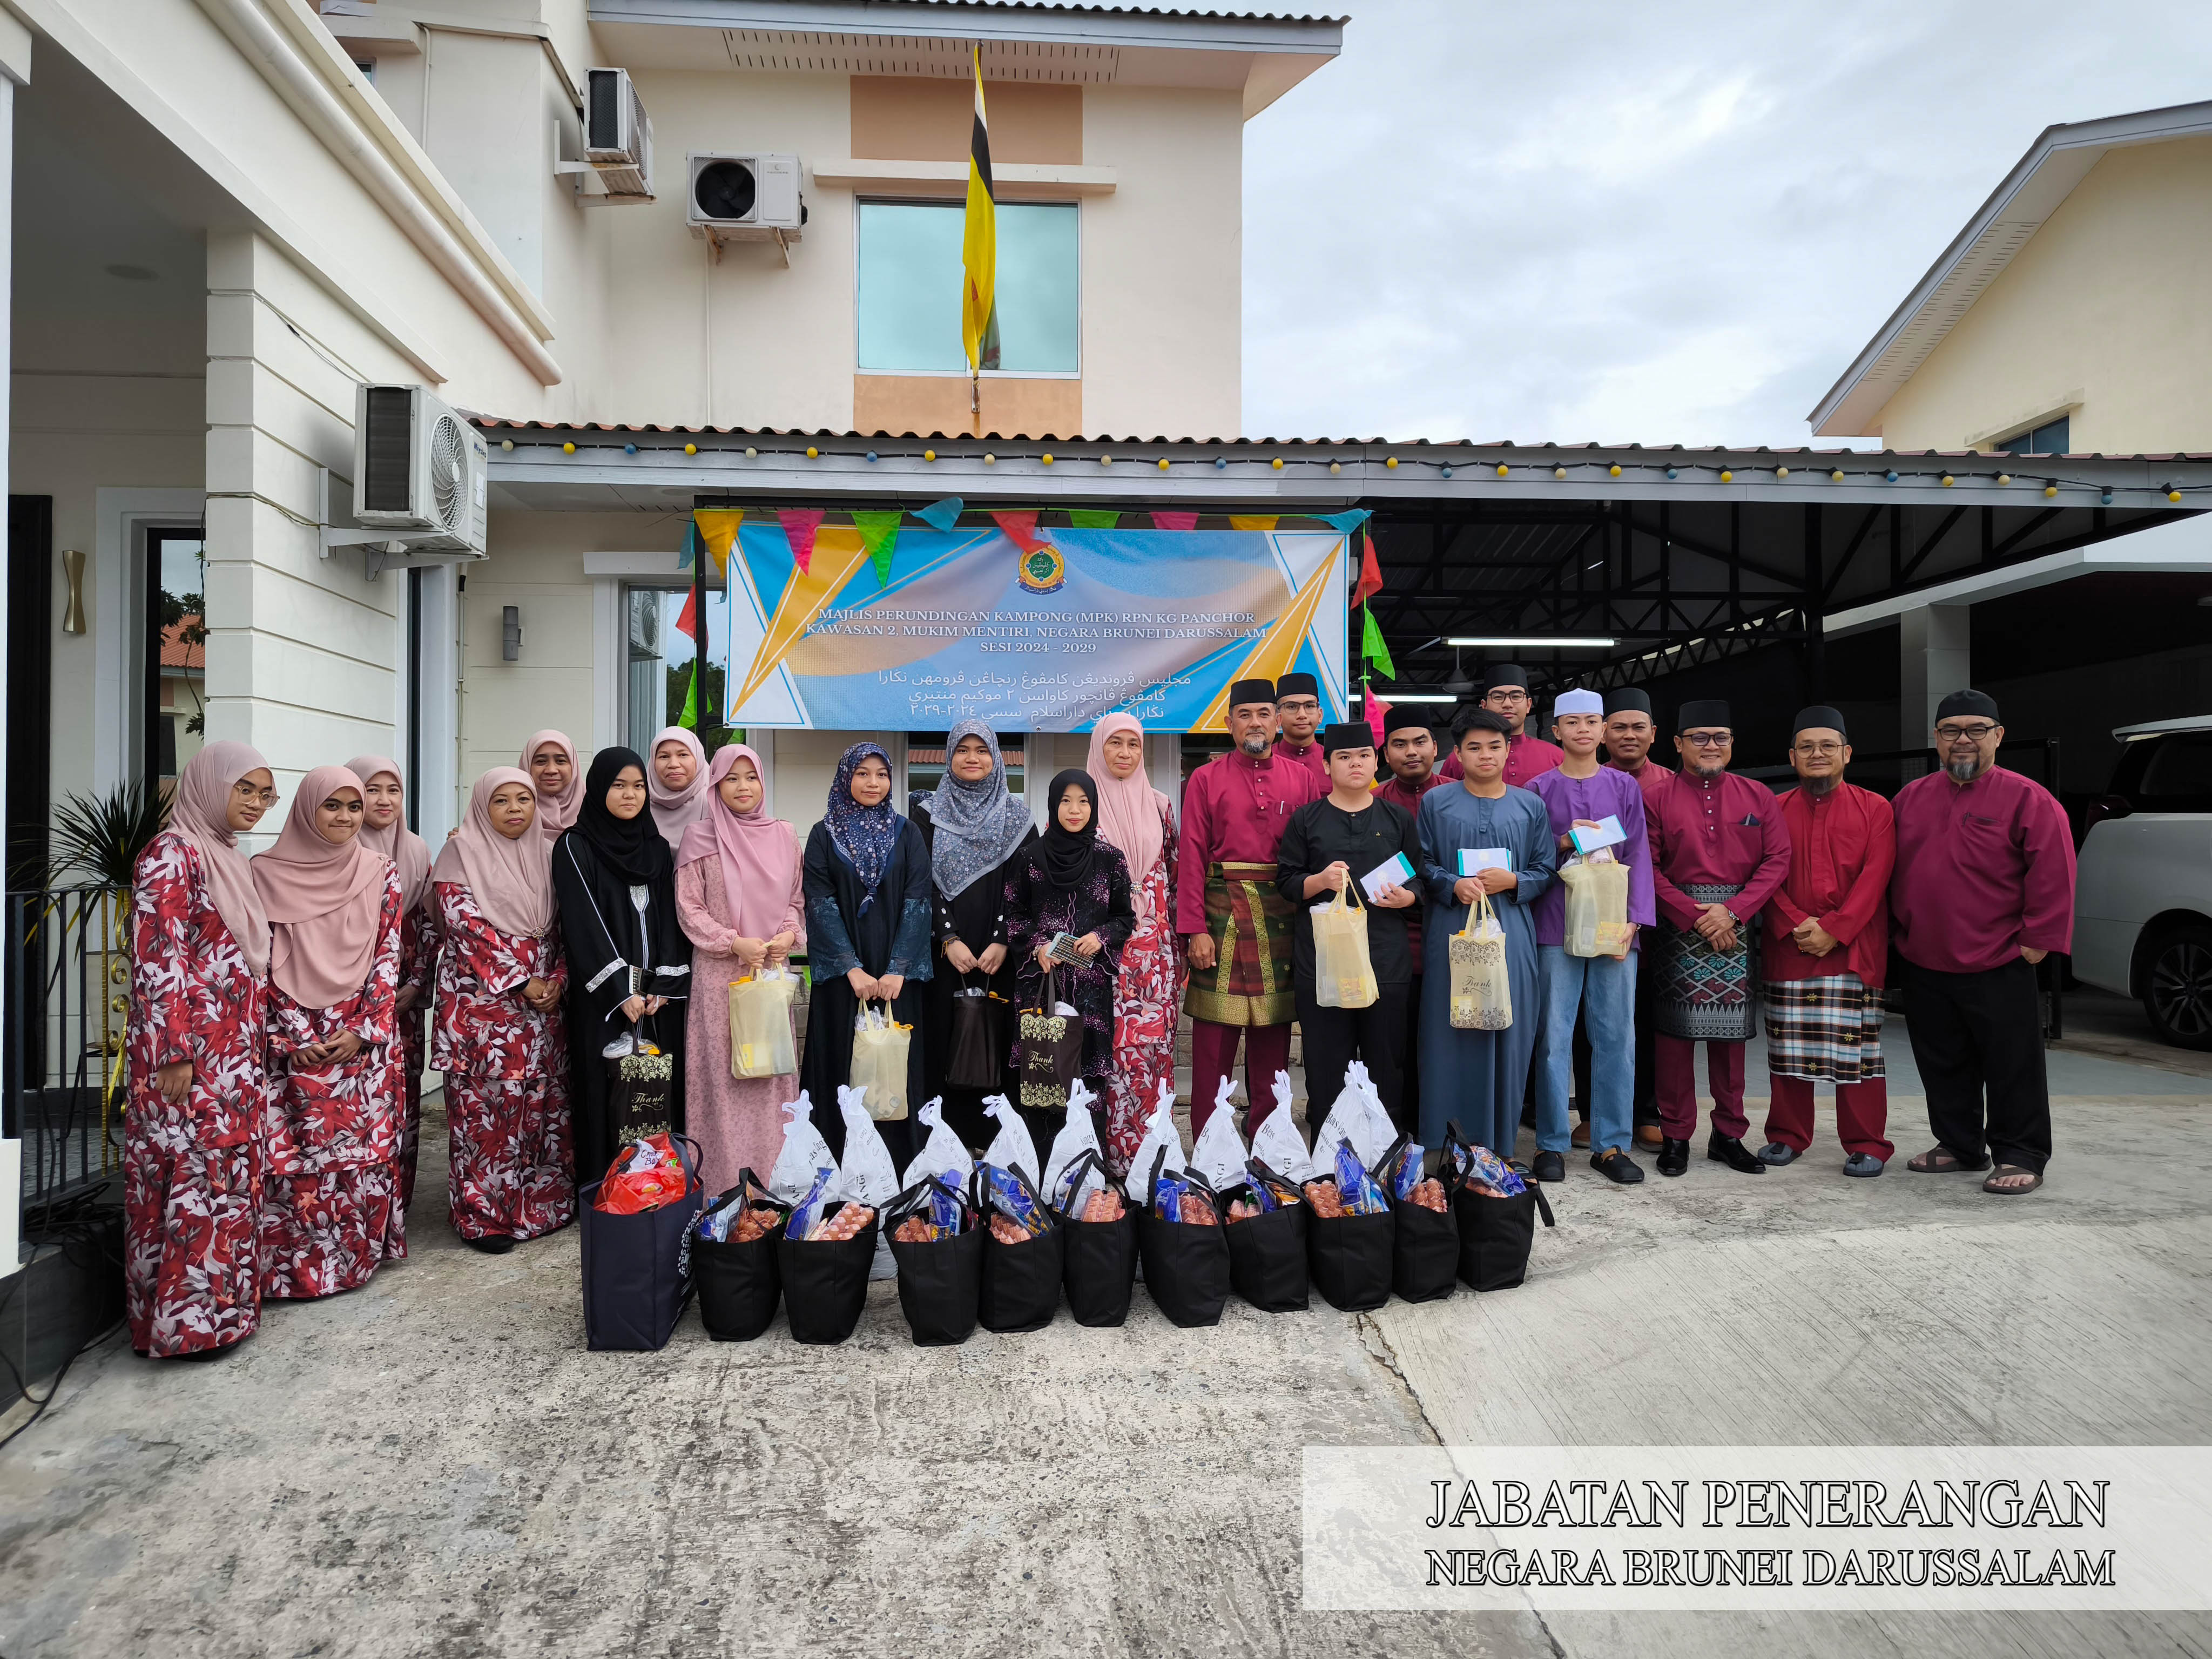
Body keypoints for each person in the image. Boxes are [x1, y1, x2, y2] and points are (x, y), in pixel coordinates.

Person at [125, 742, 276, 1359]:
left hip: (233, 1052)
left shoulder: (227, 857)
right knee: (189, 1180)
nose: (256, 803)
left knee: (227, 1177)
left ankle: (226, 1317)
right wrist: (173, 1053)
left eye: (265, 794)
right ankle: (185, 1329)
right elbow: (158, 957)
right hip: (187, 1058)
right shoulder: (171, 854)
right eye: (245, 789)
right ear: (212, 786)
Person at [1891, 690, 2074, 1195]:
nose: (1963, 740)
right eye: (1951, 730)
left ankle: (2020, 1152)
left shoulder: (2028, 798)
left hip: (1999, 955)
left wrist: (2038, 939)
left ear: (1998, 736)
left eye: (1976, 729)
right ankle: (1960, 1145)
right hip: (1923, 954)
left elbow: (2054, 870)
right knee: (1942, 1060)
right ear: (1936, 738)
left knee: (2012, 1063)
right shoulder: (1910, 799)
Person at [253, 765, 407, 1299]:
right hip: (294, 1038)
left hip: (361, 1036)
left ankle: (353, 1262)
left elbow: (389, 952)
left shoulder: (380, 871)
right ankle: (296, 1273)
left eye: (354, 807)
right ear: (307, 809)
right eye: (332, 806)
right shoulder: (264, 873)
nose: (345, 817)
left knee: (360, 1155)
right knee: (296, 1157)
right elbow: (259, 960)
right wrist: (294, 1037)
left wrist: (364, 1029)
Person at [430, 769, 575, 1251]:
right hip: (483, 1010)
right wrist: (523, 980)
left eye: (524, 800)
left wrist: (558, 978)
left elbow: (564, 927)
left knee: (541, 1111)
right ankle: (484, 1218)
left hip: (543, 1011)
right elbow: (466, 927)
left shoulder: (549, 853)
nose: (515, 809)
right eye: (502, 801)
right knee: (487, 1116)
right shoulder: (460, 853)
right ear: (481, 807)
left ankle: (540, 1207)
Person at [1646, 699, 1791, 1178]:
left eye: (1720, 738)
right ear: (1678, 743)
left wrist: (1732, 912)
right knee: (1674, 1040)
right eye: (1700, 738)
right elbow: (1647, 865)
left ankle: (1728, 1135)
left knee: (1731, 1042)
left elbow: (1777, 860)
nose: (1711, 746)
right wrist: (1695, 917)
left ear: (1732, 743)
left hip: (1737, 927)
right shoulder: (1657, 798)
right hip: (1677, 928)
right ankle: (1676, 1136)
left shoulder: (1758, 796)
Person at [1177, 677, 1326, 1133]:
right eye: (1245, 715)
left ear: (1278, 721)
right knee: (1213, 1043)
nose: (1255, 723)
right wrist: (1194, 929)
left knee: (1273, 1044)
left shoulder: (1302, 779)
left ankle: (1269, 1142)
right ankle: (1209, 1145)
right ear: (1229, 724)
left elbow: (1312, 856)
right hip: (1219, 914)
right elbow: (1191, 857)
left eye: (1264, 714)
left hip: (1283, 918)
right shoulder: (1204, 779)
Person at [1757, 708, 1897, 1178]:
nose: (1817, 754)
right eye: (1807, 747)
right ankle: (1787, 1135)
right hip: (1790, 946)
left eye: (1828, 746)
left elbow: (1876, 877)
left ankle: (1867, 1142)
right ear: (1792, 756)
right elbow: (1763, 875)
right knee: (1787, 1049)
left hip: (1854, 949)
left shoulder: (1876, 808)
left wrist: (1835, 929)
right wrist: (1798, 923)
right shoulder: (1773, 809)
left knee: (1858, 1053)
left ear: (1847, 753)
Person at [1527, 690, 1654, 1185]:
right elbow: (1530, 857)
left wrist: (1635, 920)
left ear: (1603, 730)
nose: (1583, 729)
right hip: (1555, 923)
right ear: (1556, 730)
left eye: (1591, 721)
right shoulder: (1538, 789)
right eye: (1572, 722)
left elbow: (1638, 853)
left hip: (1613, 923)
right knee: (1553, 1036)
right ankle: (1551, 1142)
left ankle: (1611, 1143)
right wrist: (1562, 840)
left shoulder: (1624, 787)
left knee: (1617, 1034)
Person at [1416, 711, 1556, 1157]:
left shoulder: (1530, 805)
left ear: (1508, 750)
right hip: (1452, 925)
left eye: (1494, 746)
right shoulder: (1435, 803)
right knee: (1448, 1026)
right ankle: (1442, 1141)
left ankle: (1498, 1142)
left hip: (1509, 927)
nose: (1485, 755)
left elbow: (1546, 868)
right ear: (1458, 754)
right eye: (1474, 748)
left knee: (1507, 1028)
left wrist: (1514, 881)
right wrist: (1451, 884)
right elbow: (1422, 863)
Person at [552, 748, 690, 1183]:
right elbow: (583, 922)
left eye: (638, 786)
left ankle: (658, 1188)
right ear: (598, 788)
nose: (630, 795)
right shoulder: (575, 846)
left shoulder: (657, 849)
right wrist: (619, 990)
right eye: (618, 785)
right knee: (607, 1093)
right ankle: (606, 1189)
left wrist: (664, 985)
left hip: (656, 1003)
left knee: (658, 1093)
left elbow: (670, 920)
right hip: (605, 1003)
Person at [675, 743, 805, 1196]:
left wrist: (788, 934)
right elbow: (689, 909)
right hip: (719, 978)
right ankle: (724, 1188)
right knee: (724, 1081)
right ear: (715, 785)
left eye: (751, 777)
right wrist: (733, 942)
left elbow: (796, 899)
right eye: (731, 778)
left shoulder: (784, 835)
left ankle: (775, 1184)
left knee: (770, 1078)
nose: (743, 787)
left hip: (769, 975)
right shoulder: (699, 838)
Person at [1277, 724, 1420, 1130]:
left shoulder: (1397, 818)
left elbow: (1421, 878)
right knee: (1326, 1066)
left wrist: (1408, 898)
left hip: (1385, 960)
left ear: (1377, 763)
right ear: (1326, 766)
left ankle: (1386, 1154)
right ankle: (1329, 1157)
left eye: (1363, 756)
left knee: (1387, 1065)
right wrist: (1319, 881)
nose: (1355, 764)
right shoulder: (1307, 820)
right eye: (1343, 757)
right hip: (1324, 963)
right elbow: (1286, 882)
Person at [801, 743, 933, 1166]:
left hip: (897, 980)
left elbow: (918, 901)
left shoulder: (907, 833)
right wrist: (851, 968)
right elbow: (819, 903)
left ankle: (900, 1165)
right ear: (846, 778)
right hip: (845, 980)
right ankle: (839, 1166)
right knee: (843, 1066)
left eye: (881, 774)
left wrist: (898, 969)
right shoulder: (823, 835)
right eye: (862, 773)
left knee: (896, 1068)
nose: (873, 783)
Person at [911, 720, 1036, 1149]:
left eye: (982, 750)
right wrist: (949, 938)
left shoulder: (1018, 818)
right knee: (945, 1034)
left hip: (1000, 953)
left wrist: (1001, 938)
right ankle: (944, 1140)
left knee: (996, 1036)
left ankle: (996, 1139)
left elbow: (1023, 886)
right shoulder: (927, 814)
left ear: (996, 758)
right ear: (949, 756)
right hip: (945, 951)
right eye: (962, 750)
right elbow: (921, 882)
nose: (972, 758)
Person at [1004, 770, 1136, 1147]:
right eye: (1065, 801)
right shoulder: (1030, 858)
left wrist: (1100, 937)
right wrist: (1038, 945)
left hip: (1091, 991)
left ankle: (1087, 1165)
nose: (1074, 810)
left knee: (1087, 1075)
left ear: (1093, 807)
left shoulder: (1110, 860)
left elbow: (1124, 917)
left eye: (1083, 802)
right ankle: (1039, 1164)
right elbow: (1013, 914)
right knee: (1042, 1069)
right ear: (1053, 805)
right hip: (1042, 985)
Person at [1085, 713, 1182, 1175]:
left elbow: (1174, 877)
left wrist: (1177, 947)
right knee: (1108, 1055)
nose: (1125, 753)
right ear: (1098, 748)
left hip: (1155, 957)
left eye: (1134, 744)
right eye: (1115, 743)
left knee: (1151, 1056)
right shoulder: (1079, 804)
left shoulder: (1161, 806)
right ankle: (1103, 1161)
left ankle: (1149, 1160)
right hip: (1102, 955)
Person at [345, 754, 434, 1211]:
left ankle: (397, 1204)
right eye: (371, 790)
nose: (383, 800)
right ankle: (358, 1206)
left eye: (393, 790)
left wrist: (417, 982)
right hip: (346, 1001)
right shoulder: (333, 845)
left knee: (404, 1096)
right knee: (355, 1100)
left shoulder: (415, 851)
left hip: (403, 1000)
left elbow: (427, 924)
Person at [1603, 686, 1674, 1149]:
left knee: (1648, 1023)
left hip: (1661, 922)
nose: (1629, 735)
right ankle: (1596, 1112)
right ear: (1603, 733)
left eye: (1638, 727)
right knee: (1597, 1024)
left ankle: (1648, 1109)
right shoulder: (1588, 780)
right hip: (1600, 923)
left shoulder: (1671, 784)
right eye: (1619, 727)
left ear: (1654, 733)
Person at [1375, 718, 1449, 1132]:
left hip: (1451, 930)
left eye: (1420, 741)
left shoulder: (1458, 795)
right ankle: (1397, 1129)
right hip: (1392, 936)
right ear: (1386, 754)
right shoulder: (1372, 803)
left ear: (1435, 747)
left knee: (1442, 1039)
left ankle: (1440, 1124)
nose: (1411, 751)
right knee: (1394, 1040)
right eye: (1400, 744)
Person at [1440, 666, 1564, 788]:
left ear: (1528, 705)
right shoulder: (1461, 759)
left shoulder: (1556, 757)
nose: (1507, 704)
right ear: (1484, 706)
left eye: (1516, 697)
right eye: (1498, 697)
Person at [645, 725, 712, 852]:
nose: (674, 764)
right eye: (664, 757)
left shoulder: (716, 804)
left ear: (698, 759)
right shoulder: (638, 805)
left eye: (683, 755)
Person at [522, 729, 583, 842]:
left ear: (574, 766)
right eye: (541, 761)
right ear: (527, 765)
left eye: (560, 761)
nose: (551, 770)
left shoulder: (595, 808)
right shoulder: (511, 809)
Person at [1270, 671, 1328, 779]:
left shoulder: (1334, 762)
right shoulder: (1264, 760)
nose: (1302, 715)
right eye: (1292, 707)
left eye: (1309, 706)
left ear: (1320, 715)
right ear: (1277, 717)